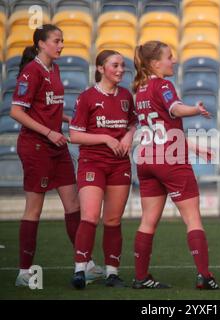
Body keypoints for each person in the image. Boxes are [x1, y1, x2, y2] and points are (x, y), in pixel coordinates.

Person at [10, 24, 103, 287]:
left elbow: (47, 108)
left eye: (62, 41)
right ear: (41, 43)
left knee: (74, 205)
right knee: (34, 209)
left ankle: (86, 264)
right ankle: (24, 272)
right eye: (56, 41)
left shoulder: (54, 68)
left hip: (56, 146)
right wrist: (49, 133)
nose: (61, 45)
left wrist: (68, 119)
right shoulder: (32, 71)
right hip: (36, 146)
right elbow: (16, 112)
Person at [132, 40, 220, 290]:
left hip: (146, 159)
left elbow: (162, 129)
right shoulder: (163, 85)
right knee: (192, 218)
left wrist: (196, 147)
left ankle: (140, 277)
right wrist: (194, 109)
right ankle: (204, 276)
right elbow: (175, 109)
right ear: (154, 63)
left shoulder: (140, 89)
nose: (174, 60)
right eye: (169, 57)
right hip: (169, 161)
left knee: (148, 220)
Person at [69, 50, 137, 289]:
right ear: (100, 68)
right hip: (93, 163)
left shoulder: (127, 96)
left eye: (122, 66)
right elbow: (75, 135)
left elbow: (133, 121)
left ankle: (112, 273)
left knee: (113, 219)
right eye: (115, 65)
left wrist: (129, 135)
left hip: (119, 164)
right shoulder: (87, 97)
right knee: (89, 216)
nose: (120, 70)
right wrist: (106, 139)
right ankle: (80, 269)